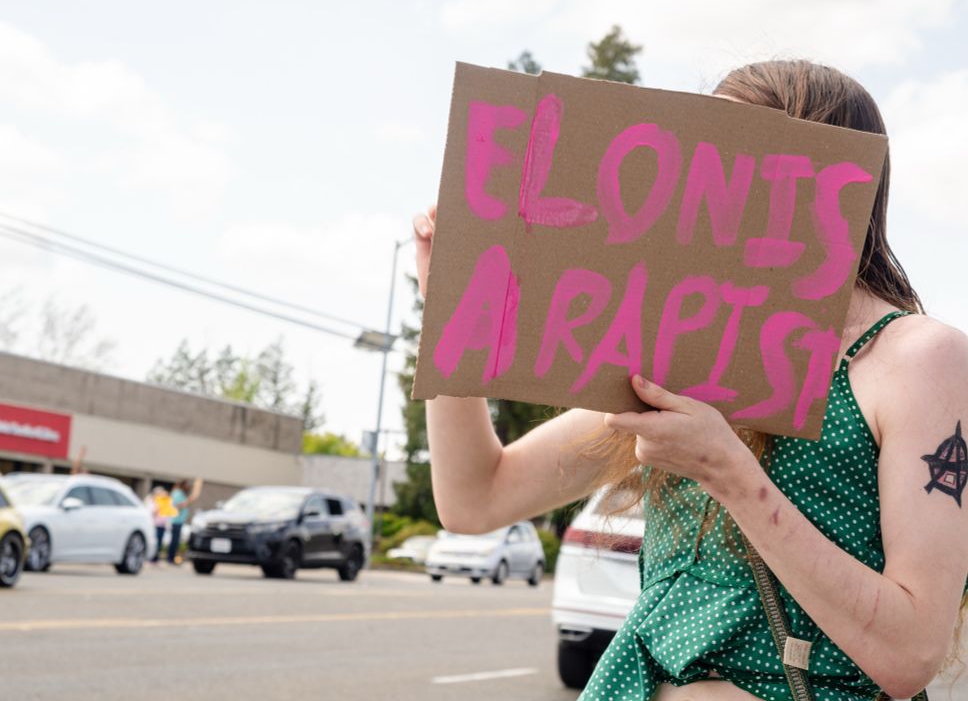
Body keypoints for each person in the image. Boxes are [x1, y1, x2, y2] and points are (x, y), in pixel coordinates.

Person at [414, 60, 968, 701]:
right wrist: (449, 313)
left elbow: (909, 654)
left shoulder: (917, 357)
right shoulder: (682, 348)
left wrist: (730, 474)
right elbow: (476, 498)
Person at [144, 486, 174, 565]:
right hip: (154, 525)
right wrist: (159, 506)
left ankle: (155, 558)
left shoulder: (165, 502)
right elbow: (151, 512)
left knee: (159, 542)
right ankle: (151, 558)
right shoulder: (151, 501)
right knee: (154, 541)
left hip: (162, 525)